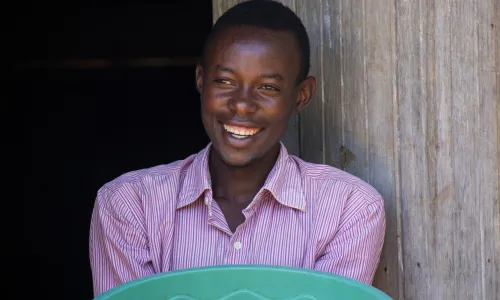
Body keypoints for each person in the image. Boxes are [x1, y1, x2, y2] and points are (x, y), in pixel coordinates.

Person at [89, 0, 386, 296]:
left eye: (267, 87)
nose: (242, 104)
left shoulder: (349, 209)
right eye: (225, 81)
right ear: (201, 81)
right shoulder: (130, 205)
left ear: (301, 95)